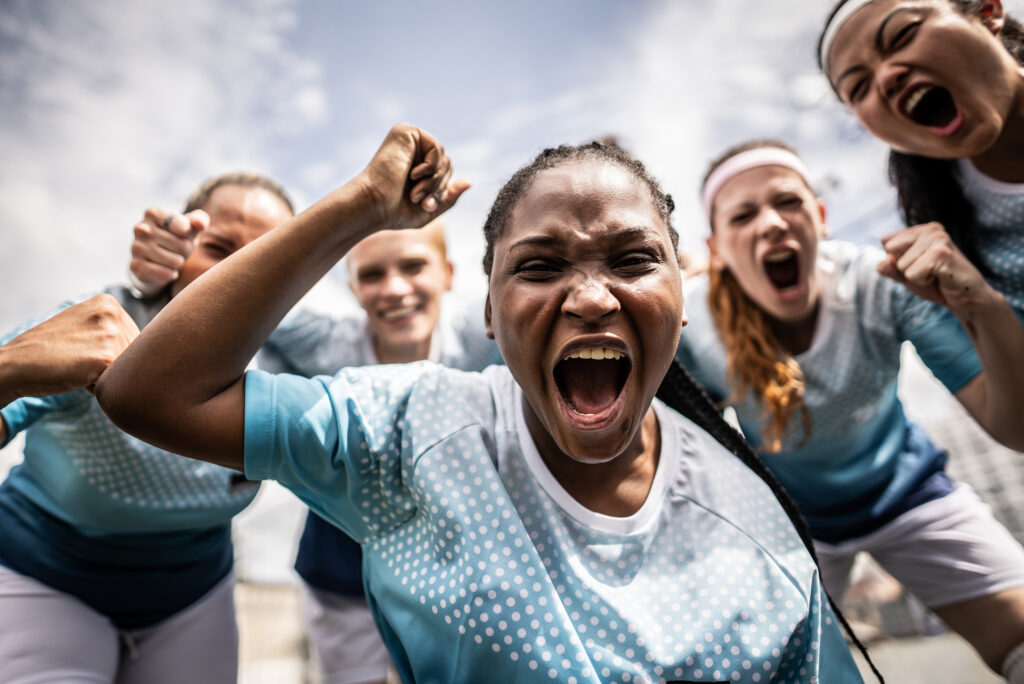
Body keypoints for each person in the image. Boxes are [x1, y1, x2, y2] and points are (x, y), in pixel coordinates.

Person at [96, 124, 865, 683]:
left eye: (634, 260)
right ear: (491, 313)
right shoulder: (402, 424)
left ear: (681, 291)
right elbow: (149, 388)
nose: (592, 297)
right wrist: (359, 205)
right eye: (539, 266)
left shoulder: (763, 524)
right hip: (338, 575)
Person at [677, 139, 1024, 682]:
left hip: (908, 493)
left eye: (787, 202)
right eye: (743, 215)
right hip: (793, 525)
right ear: (718, 249)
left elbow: (1016, 427)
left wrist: (986, 305)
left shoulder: (879, 284)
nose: (770, 223)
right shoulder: (693, 324)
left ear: (820, 217)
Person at [132, 215, 501, 684]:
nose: (394, 288)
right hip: (341, 565)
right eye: (371, 274)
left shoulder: (483, 336)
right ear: (350, 284)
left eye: (413, 266)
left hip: (454, 563)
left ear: (448, 273)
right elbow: (242, 296)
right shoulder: (325, 343)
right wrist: (162, 268)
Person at [0, 171, 294, 683]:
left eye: (268, 257)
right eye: (220, 247)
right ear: (175, 251)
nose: (242, 272)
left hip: (194, 599)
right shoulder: (91, 330)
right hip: (38, 574)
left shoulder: (292, 368)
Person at [818, 0, 1024, 315]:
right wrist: (979, 308)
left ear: (987, 12)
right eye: (860, 88)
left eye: (902, 35)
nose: (886, 78)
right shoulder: (946, 252)